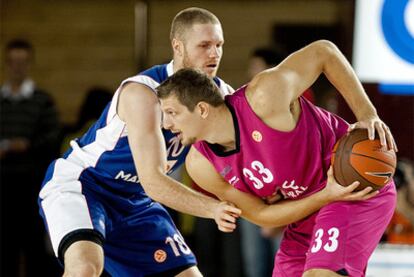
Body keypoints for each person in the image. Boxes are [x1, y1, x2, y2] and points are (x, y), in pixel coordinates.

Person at [157, 40, 398, 276]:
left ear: (201, 109)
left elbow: (324, 52)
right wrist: (324, 196)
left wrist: (367, 113)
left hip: (353, 189)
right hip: (307, 210)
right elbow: (261, 215)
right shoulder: (201, 165)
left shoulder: (264, 96)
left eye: (171, 113)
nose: (166, 124)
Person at [38, 7, 240, 277]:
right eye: (204, 45)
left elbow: (249, 151)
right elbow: (154, 181)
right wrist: (213, 207)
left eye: (219, 45)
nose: (214, 54)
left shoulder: (222, 96)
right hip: (86, 184)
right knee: (85, 267)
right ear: (177, 47)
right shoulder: (143, 93)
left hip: (136, 199)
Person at [0, 39, 61, 276]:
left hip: (32, 184)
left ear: (29, 64)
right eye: (13, 62)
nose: (18, 67)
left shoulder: (42, 101)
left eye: (23, 62)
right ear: (7, 63)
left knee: (34, 245)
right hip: (3, 184)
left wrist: (25, 145)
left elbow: (53, 138)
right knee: (5, 246)